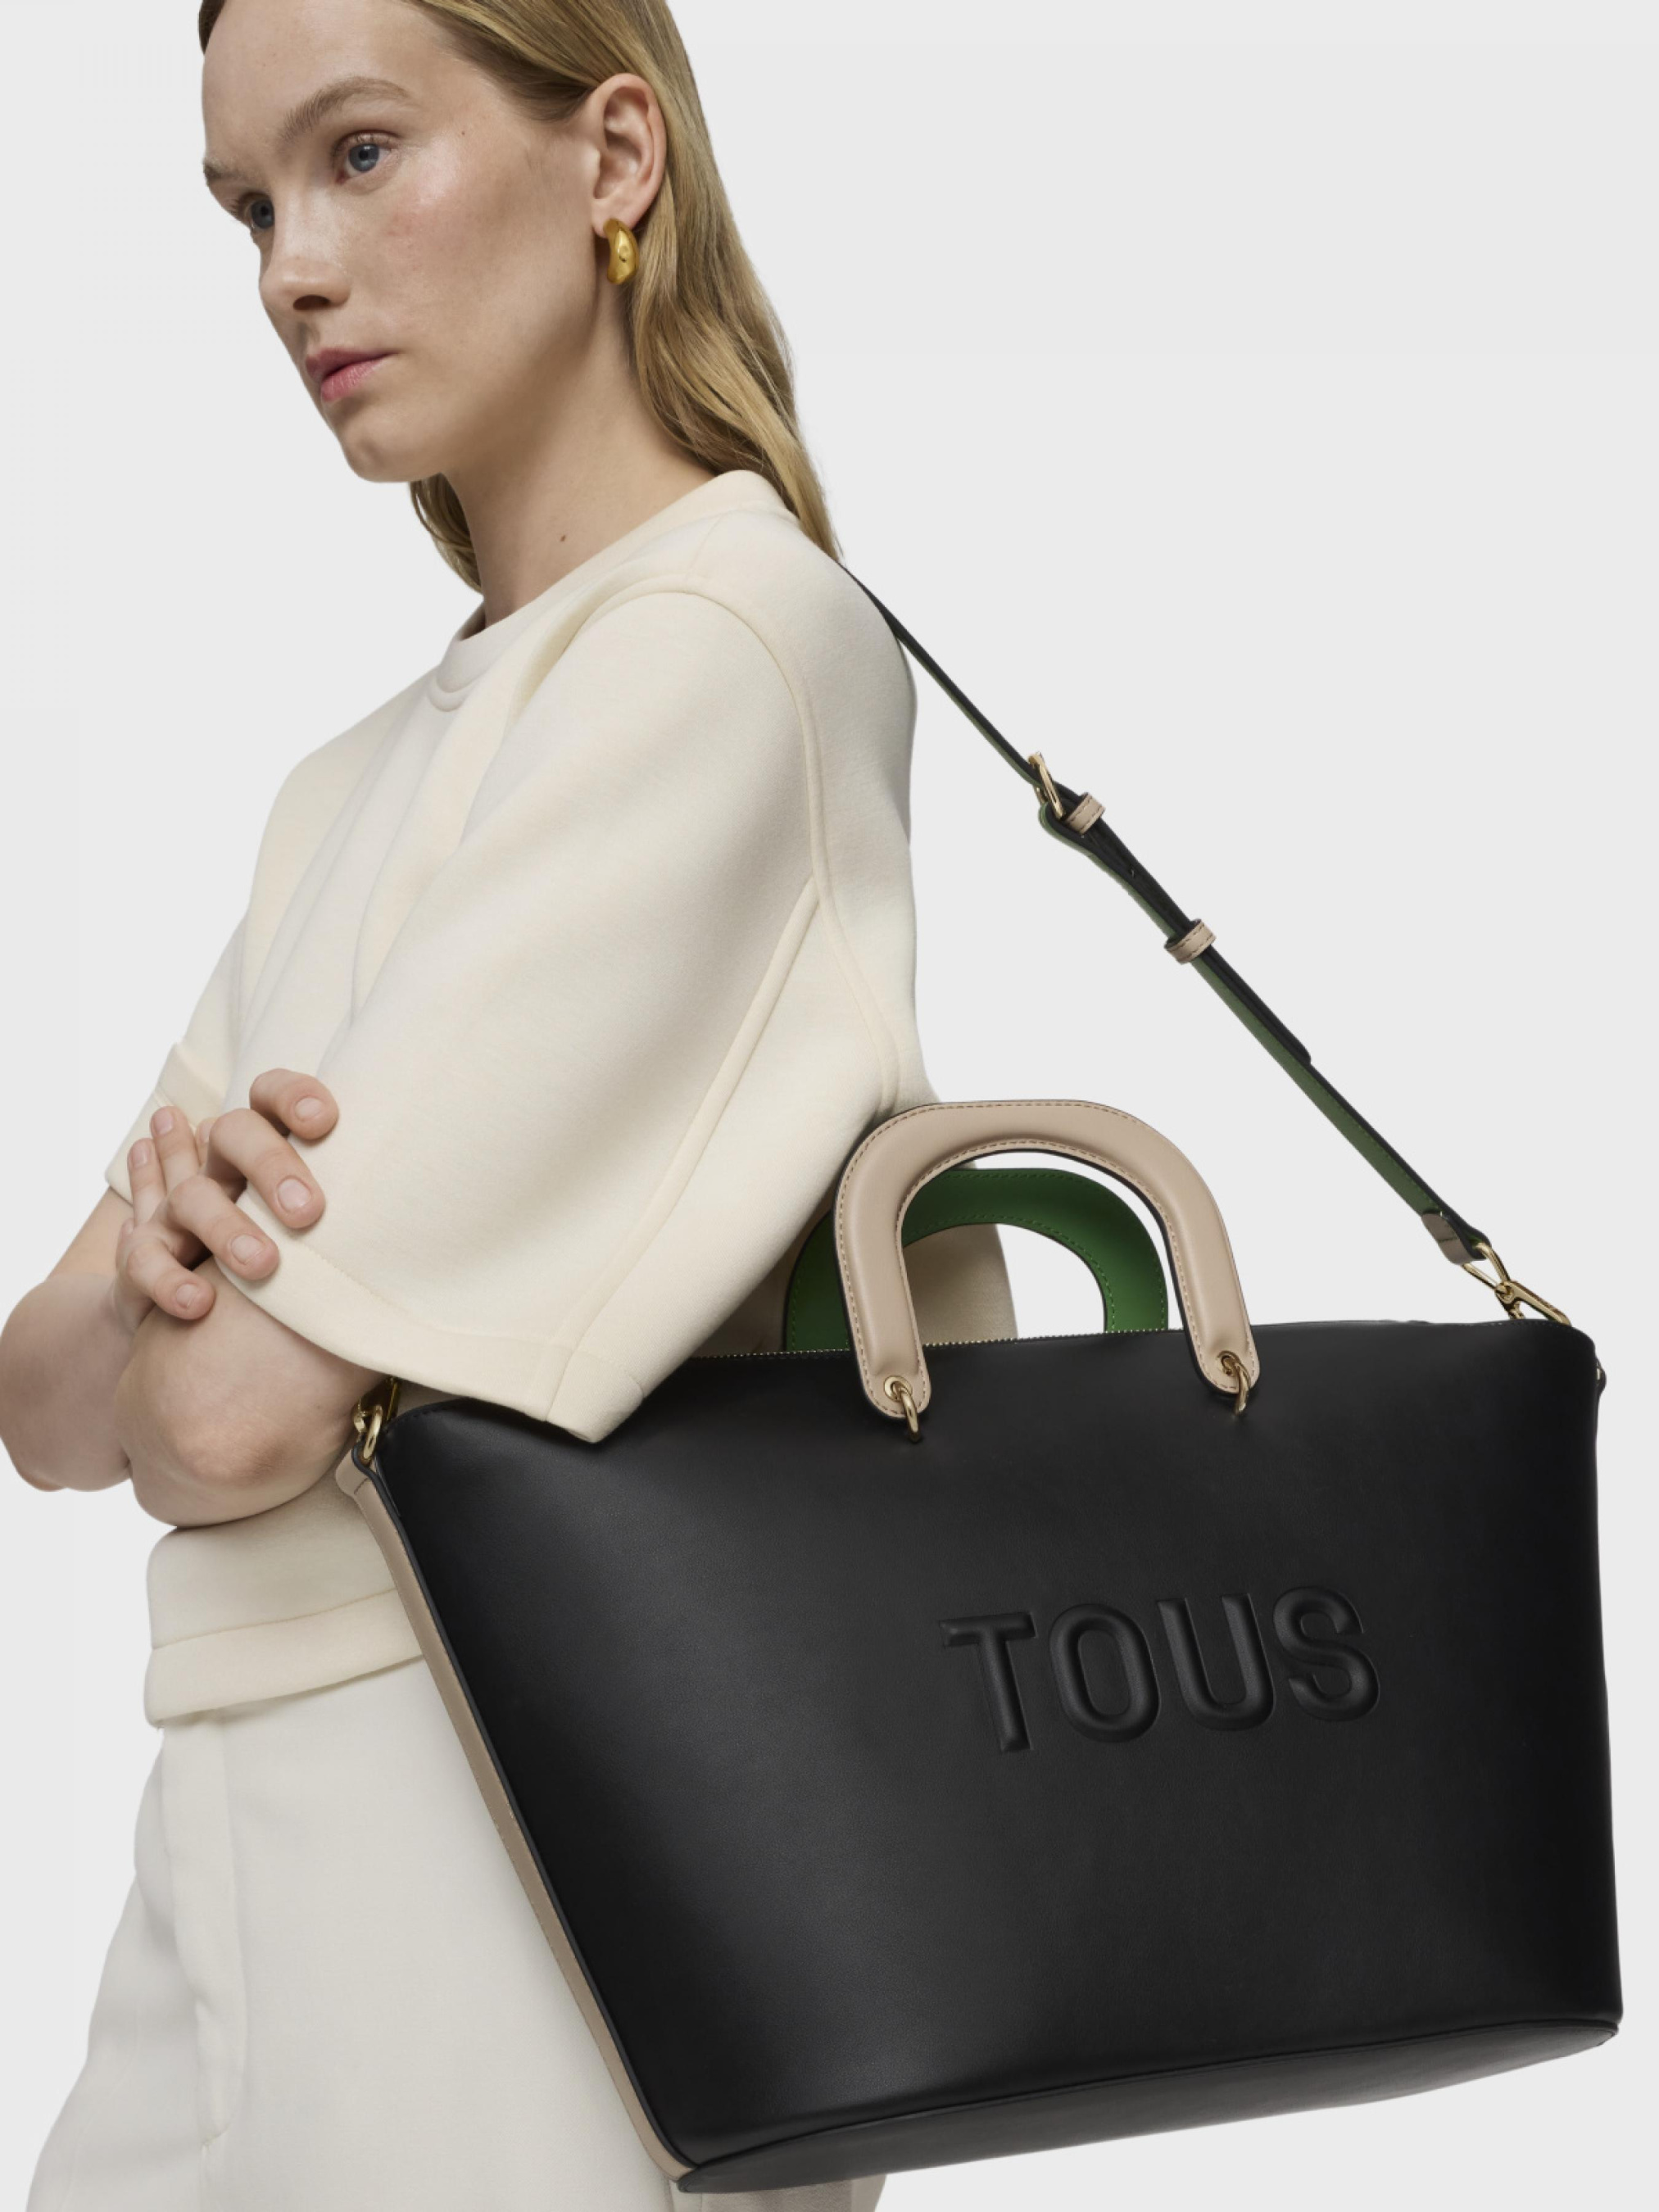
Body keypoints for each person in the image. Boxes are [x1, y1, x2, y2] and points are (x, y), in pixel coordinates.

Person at [0, 1, 1014, 2205]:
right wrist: (176, 1304)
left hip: (528, 1897)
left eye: (360, 154)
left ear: (614, 160)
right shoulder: (357, 776)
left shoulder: (723, 649)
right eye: (248, 205)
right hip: (250, 1842)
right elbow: (40, 1403)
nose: (292, 267)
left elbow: (219, 1422)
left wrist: (175, 1298)